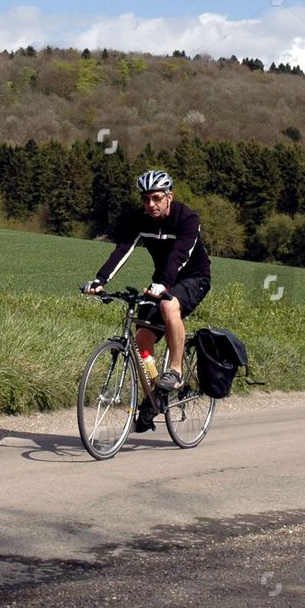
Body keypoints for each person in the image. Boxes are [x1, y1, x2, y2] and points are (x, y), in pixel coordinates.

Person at [85, 169, 211, 431]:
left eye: (156, 198)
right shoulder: (140, 219)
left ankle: (174, 372)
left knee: (168, 304)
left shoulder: (187, 218)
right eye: (146, 199)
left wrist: (163, 284)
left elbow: (180, 254)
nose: (150, 205)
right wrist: (100, 280)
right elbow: (123, 249)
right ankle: (152, 398)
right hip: (162, 280)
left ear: (169, 196)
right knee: (142, 336)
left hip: (193, 278)